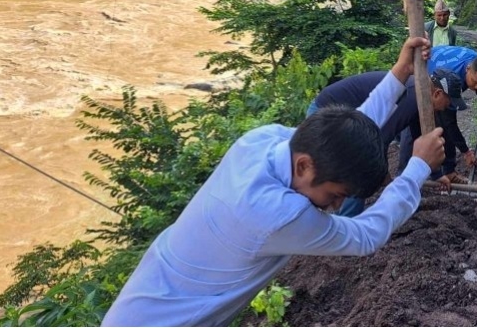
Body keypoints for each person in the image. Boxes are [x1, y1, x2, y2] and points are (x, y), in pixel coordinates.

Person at [101, 37, 447, 327]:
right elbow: (365, 236)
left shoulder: (264, 141)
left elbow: (345, 133)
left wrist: (399, 73)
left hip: (143, 300)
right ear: (304, 167)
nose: (336, 207)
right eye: (335, 195)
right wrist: (416, 168)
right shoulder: (278, 214)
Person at [308, 67, 469, 215]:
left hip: (346, 118)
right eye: (448, 103)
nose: (445, 108)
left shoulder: (420, 95)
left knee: (352, 171)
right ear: (437, 94)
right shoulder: (413, 95)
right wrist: (384, 175)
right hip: (327, 114)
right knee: (358, 172)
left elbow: (418, 137)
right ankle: (348, 228)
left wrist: (436, 175)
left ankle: (340, 222)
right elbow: (378, 140)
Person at [397, 46, 477, 183]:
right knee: (414, 129)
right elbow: (449, 123)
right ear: (468, 69)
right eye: (474, 82)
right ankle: (403, 177)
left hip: (436, 79)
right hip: (417, 75)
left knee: (445, 124)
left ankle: (448, 172)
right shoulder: (451, 77)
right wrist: (466, 151)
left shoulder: (476, 62)